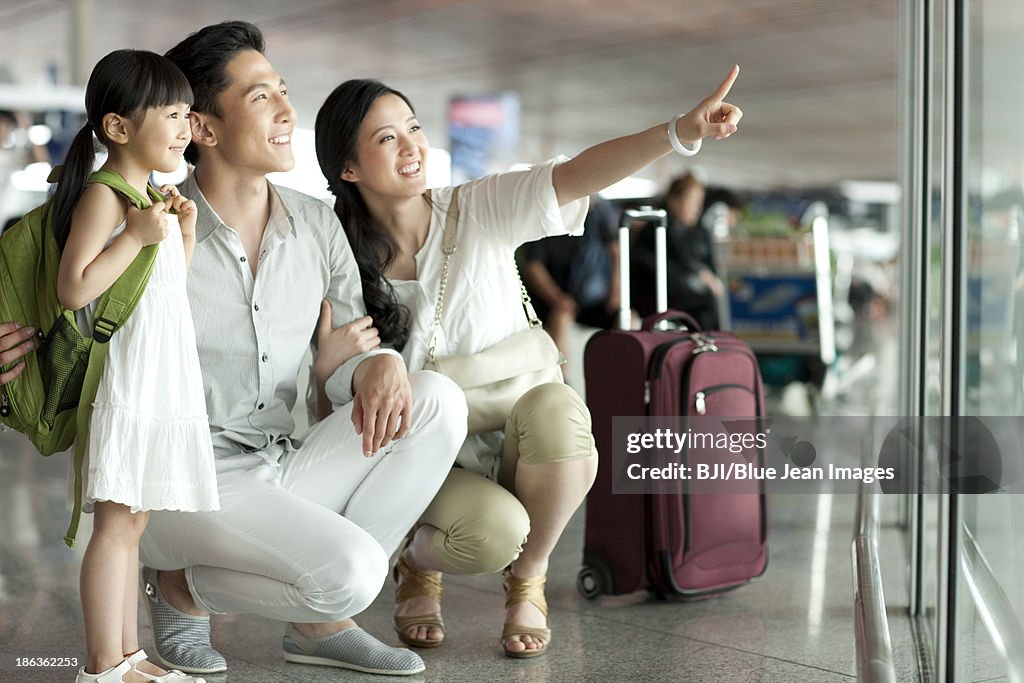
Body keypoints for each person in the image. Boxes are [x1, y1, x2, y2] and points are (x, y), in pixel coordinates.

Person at [0, 21, 466, 678]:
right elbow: (69, 305)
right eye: (260, 96)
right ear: (202, 128)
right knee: (356, 572)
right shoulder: (146, 216)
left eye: (283, 91)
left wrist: (378, 362)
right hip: (180, 480)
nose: (286, 110)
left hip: (282, 460)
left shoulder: (315, 222)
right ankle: (186, 588)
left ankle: (314, 615)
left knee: (437, 398)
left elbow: (342, 358)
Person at [313, 68, 742, 658]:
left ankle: (529, 580)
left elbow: (576, 175)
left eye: (412, 127)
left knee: (560, 409)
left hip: (518, 427)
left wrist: (677, 133)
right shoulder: (337, 262)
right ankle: (415, 559)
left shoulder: (477, 208)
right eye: (386, 138)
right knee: (493, 536)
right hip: (424, 456)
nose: (411, 146)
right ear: (348, 167)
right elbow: (334, 375)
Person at [52, 48, 217, 683]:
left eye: (187, 113)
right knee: (118, 525)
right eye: (173, 113)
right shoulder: (106, 195)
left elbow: (164, 288)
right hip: (126, 378)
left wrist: (183, 232)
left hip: (159, 377)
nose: (185, 126)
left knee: (135, 522)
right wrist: (135, 235)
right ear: (118, 128)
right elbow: (75, 289)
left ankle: (127, 657)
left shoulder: (152, 196)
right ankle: (102, 665)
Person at [521, 196, 621, 368]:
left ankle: (617, 375)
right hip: (557, 300)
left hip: (593, 298)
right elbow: (533, 266)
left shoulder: (596, 217)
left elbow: (616, 252)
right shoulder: (546, 220)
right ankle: (564, 381)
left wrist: (617, 289)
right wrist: (557, 298)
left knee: (627, 316)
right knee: (561, 317)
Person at [632, 171, 724, 329]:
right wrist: (699, 273)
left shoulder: (699, 232)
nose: (697, 207)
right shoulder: (656, 229)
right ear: (673, 200)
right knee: (705, 301)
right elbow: (648, 266)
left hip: (683, 295)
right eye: (691, 201)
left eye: (699, 202)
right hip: (659, 299)